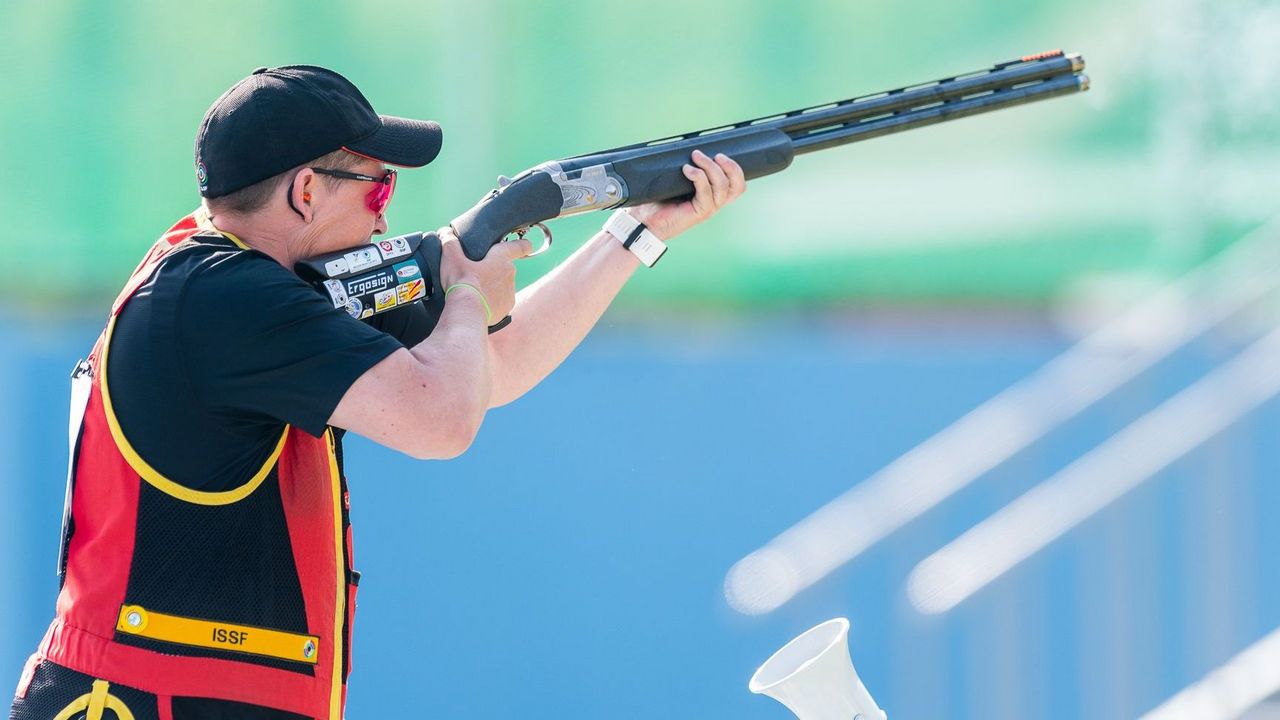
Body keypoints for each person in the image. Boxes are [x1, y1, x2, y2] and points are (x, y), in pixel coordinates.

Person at [8, 65, 745, 720]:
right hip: (146, 701)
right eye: (378, 185)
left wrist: (633, 232)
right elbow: (442, 421)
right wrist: (462, 294)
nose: (386, 216)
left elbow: (493, 369)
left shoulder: (237, 283)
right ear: (304, 191)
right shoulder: (227, 298)